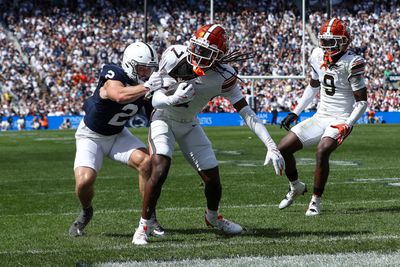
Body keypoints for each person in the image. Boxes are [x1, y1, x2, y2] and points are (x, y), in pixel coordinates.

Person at [132, 24, 285, 245]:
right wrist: (171, 99)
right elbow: (154, 97)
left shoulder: (224, 76)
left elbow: (246, 111)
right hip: (163, 118)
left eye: (206, 52)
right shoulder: (175, 55)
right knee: (160, 166)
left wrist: (271, 145)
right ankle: (143, 226)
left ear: (219, 56)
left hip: (189, 123)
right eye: (196, 47)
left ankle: (212, 218)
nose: (197, 54)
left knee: (213, 178)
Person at [69, 41, 164, 237]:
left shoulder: (145, 87)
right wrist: (146, 87)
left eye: (149, 68)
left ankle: (149, 216)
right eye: (143, 68)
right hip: (91, 136)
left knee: (146, 162)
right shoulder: (113, 73)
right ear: (130, 64)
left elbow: (153, 120)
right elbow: (119, 95)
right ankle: (86, 210)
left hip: (117, 135)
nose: (146, 72)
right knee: (84, 182)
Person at [278, 18, 367, 216]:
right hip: (321, 115)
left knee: (322, 151)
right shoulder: (317, 54)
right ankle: (296, 187)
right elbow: (313, 86)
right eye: (324, 41)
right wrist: (295, 112)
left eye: (331, 41)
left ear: (344, 42)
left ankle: (315, 200)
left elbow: (362, 102)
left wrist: (348, 124)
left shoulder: (352, 62)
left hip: (342, 118)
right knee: (283, 148)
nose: (326, 46)